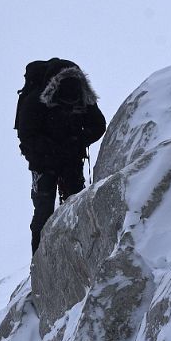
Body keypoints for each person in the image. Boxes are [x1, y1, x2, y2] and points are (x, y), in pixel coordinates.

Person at [14, 58, 107, 253]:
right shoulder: (35, 101)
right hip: (43, 162)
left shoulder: (83, 97)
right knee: (44, 212)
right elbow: (27, 136)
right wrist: (56, 148)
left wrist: (77, 141)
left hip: (70, 159)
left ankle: (76, 252)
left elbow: (98, 125)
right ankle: (39, 262)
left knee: (74, 204)